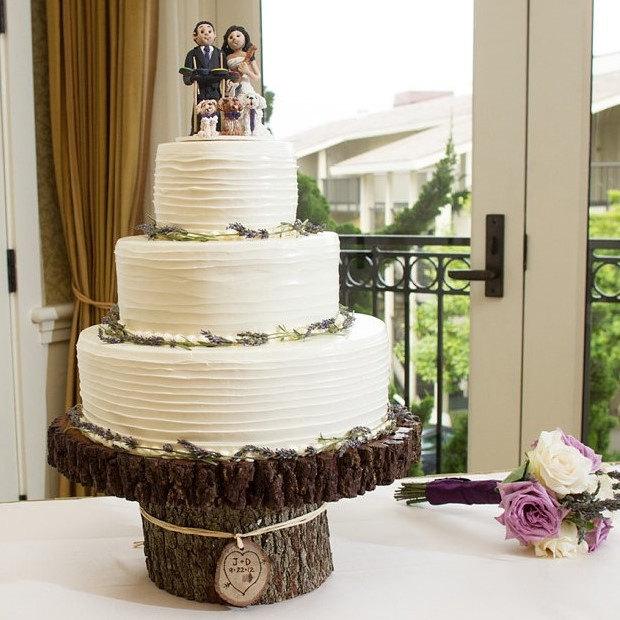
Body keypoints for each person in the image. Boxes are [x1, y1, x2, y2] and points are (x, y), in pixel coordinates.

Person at [182, 21, 223, 133]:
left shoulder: (220, 54)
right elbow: (187, 76)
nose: (206, 34)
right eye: (202, 31)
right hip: (200, 93)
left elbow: (225, 73)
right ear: (195, 36)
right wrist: (193, 78)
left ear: (215, 35)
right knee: (199, 120)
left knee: (217, 120)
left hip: (216, 93)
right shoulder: (192, 54)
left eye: (209, 31)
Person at [221, 25, 261, 98]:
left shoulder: (248, 55)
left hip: (245, 86)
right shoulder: (227, 57)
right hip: (232, 87)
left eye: (238, 36)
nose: (234, 38)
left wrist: (247, 72)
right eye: (231, 37)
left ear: (245, 38)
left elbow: (257, 77)